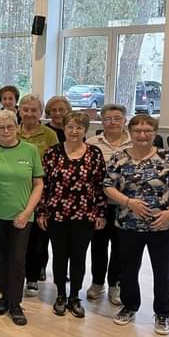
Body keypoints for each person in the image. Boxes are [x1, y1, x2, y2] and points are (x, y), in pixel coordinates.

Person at [104, 114, 169, 335]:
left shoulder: (168, 158)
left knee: (164, 272)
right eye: (137, 130)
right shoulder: (120, 158)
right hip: (128, 225)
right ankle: (129, 306)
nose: (142, 135)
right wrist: (128, 202)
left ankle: (162, 313)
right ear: (130, 133)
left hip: (164, 225)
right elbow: (108, 186)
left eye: (147, 131)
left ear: (155, 133)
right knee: (128, 270)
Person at [37, 112, 107, 318]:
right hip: (56, 214)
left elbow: (100, 185)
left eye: (79, 127)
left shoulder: (94, 153)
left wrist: (101, 213)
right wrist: (41, 212)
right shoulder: (52, 153)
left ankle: (75, 295)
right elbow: (43, 185)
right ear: (64, 128)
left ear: (85, 130)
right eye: (70, 127)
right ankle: (60, 294)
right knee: (59, 256)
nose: (74, 131)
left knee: (79, 256)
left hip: (85, 215)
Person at [0, 109, 44, 326]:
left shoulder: (30, 150)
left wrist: (27, 212)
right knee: (1, 258)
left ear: (17, 127)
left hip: (22, 216)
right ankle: (4, 298)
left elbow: (38, 184)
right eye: (1, 127)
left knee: (17, 260)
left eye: (10, 126)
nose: (6, 131)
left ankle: (15, 303)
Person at [86, 104, 133, 305]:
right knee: (98, 245)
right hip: (100, 205)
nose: (112, 122)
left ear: (124, 121)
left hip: (126, 205)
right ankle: (97, 283)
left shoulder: (134, 143)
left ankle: (115, 284)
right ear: (101, 121)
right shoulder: (92, 143)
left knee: (120, 247)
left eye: (117, 118)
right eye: (108, 119)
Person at [17, 94, 58, 296]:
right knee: (16, 239)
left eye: (34, 110)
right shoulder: (13, 130)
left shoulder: (49, 135)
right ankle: (15, 276)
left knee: (36, 240)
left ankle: (32, 278)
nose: (29, 113)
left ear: (40, 112)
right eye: (25, 109)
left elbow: (55, 165)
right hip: (16, 192)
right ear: (19, 111)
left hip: (41, 193)